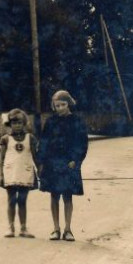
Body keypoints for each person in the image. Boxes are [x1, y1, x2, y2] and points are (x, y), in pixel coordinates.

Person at [39, 89, 90, 241]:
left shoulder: (77, 121)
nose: (60, 108)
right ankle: (56, 229)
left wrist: (76, 159)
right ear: (53, 106)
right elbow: (43, 143)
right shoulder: (50, 122)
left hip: (69, 164)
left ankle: (68, 229)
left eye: (62, 104)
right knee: (54, 196)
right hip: (52, 164)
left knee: (67, 196)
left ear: (68, 103)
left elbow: (82, 143)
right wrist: (41, 162)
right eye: (57, 105)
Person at [0, 108, 38, 238]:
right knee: (11, 200)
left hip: (25, 173)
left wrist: (40, 169)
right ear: (10, 124)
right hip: (11, 174)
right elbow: (1, 159)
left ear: (24, 123)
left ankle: (23, 228)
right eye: (14, 123)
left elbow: (35, 156)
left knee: (22, 200)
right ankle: (10, 227)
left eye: (19, 123)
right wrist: (1, 175)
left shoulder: (30, 138)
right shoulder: (6, 139)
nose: (17, 125)